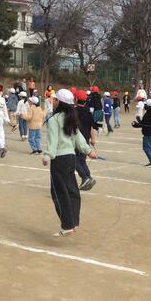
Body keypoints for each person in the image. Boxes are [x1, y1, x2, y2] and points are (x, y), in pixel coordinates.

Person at [42, 89, 97, 237]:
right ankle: (73, 222)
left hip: (59, 159)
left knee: (59, 192)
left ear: (59, 102)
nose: (53, 101)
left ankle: (67, 225)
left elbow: (53, 140)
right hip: (71, 158)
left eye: (54, 99)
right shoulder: (72, 117)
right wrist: (88, 151)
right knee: (72, 190)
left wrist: (47, 155)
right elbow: (79, 138)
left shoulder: (54, 119)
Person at [75, 90, 99, 190]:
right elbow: (91, 126)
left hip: (77, 139)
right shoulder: (89, 111)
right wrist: (93, 138)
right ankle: (89, 177)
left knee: (75, 160)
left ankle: (85, 178)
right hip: (86, 138)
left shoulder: (74, 111)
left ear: (76, 99)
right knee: (82, 160)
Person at [133, 98, 151, 167]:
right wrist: (138, 121)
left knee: (146, 148)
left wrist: (136, 124)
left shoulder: (149, 114)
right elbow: (145, 123)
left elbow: (145, 124)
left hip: (148, 133)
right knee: (149, 147)